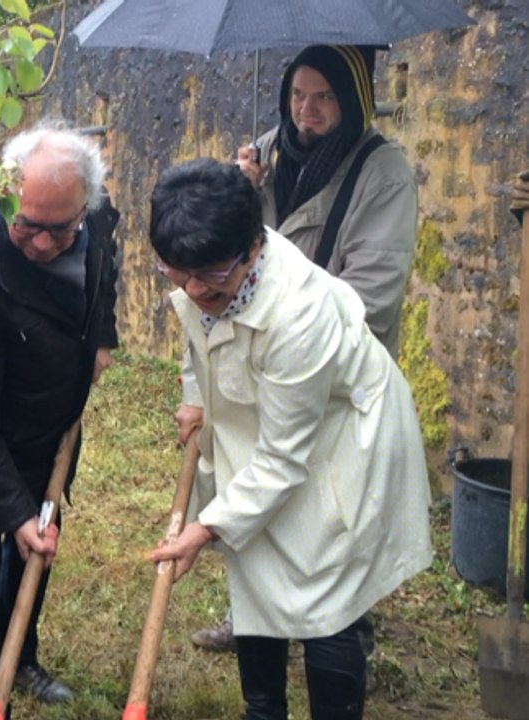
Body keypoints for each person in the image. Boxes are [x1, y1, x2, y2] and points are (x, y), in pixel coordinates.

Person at [147, 159, 432, 720]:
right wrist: (195, 395)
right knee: (256, 566)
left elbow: (281, 459)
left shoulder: (300, 313)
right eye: (177, 274)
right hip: (273, 428)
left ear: (254, 248)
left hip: (343, 439)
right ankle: (263, 708)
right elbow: (195, 331)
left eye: (210, 276)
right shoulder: (199, 265)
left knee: (325, 588)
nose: (194, 289)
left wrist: (205, 529)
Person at [194, 43, 420, 652]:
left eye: (323, 97)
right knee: (262, 481)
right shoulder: (266, 154)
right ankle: (255, 619)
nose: (306, 111)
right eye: (297, 94)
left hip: (339, 363)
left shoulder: (383, 174)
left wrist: (297, 322)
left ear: (351, 101)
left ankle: (346, 627)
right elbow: (239, 254)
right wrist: (240, 193)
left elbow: (373, 291)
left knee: (334, 506)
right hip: (267, 357)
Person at [0, 122, 120, 719]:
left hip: (49, 431)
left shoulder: (96, 220)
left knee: (36, 555)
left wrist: (100, 338)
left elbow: (102, 273)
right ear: (4, 195)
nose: (39, 242)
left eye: (59, 228)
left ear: (83, 207)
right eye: (26, 224)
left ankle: (24, 656)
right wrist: (11, 512)